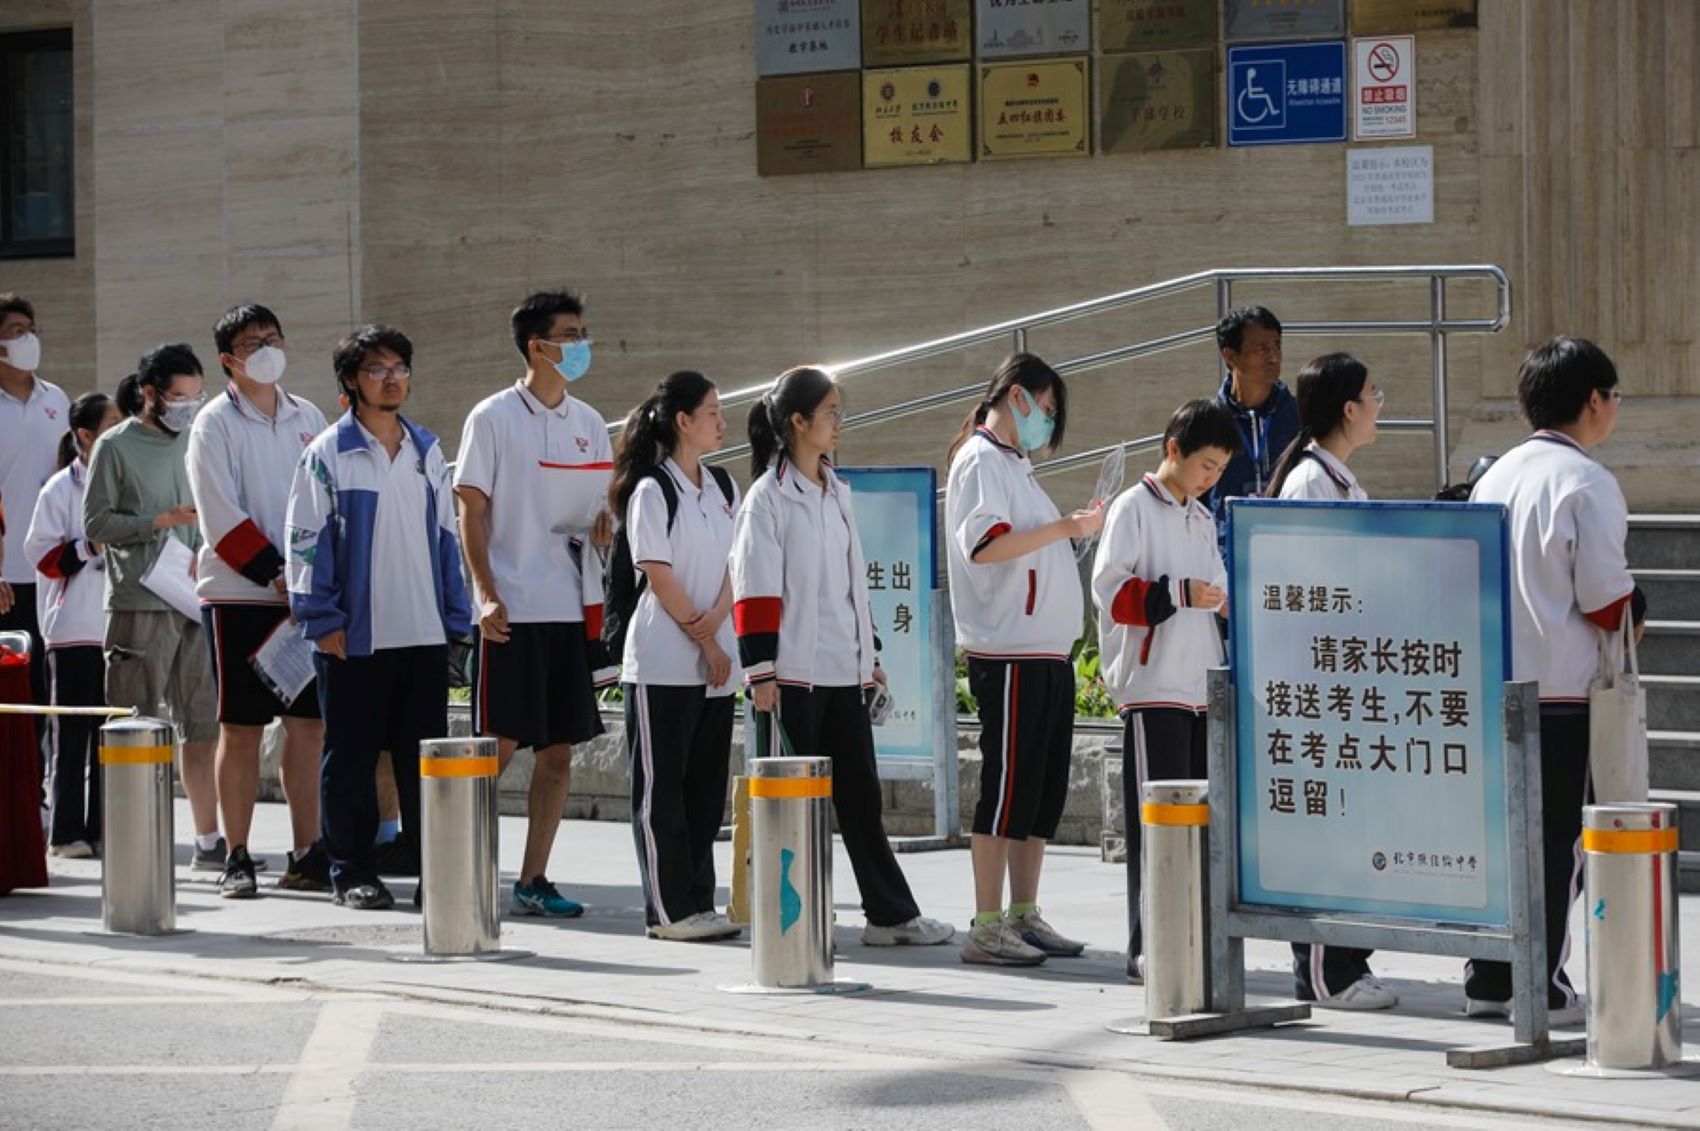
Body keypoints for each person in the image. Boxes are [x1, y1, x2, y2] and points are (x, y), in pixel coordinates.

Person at [731, 366, 954, 948]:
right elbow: (753, 591)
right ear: (797, 423)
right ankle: (791, 918)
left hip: (843, 675)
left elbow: (853, 585)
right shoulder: (767, 501)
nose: (839, 422)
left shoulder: (836, 491)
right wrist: (760, 673)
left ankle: (889, 916)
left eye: (839, 411)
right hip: (790, 679)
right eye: (829, 412)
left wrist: (870, 657)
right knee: (791, 805)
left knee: (860, 798)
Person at [1464, 337, 1644, 1023]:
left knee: (1503, 839)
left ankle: (1489, 975)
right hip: (1562, 690)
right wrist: (1637, 614)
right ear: (1593, 400)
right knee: (1558, 840)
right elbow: (1604, 600)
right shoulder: (1586, 481)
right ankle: (1539, 982)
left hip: (1491, 682)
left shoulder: (1495, 475)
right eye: (1615, 396)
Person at [286, 325, 471, 911]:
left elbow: (448, 537)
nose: (391, 378)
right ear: (350, 382)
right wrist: (321, 618)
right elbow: (304, 541)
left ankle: (433, 875)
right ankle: (350, 871)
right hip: (354, 637)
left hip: (421, 633)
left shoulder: (426, 450)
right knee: (351, 759)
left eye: (399, 368)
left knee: (423, 763)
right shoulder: (326, 455)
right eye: (376, 369)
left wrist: (454, 619)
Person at [455, 290, 617, 919]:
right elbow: (471, 509)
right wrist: (486, 594)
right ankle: (456, 865)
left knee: (558, 751)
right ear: (536, 346)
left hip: (568, 607)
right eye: (569, 335)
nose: (580, 345)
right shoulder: (492, 418)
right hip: (512, 608)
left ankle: (534, 878)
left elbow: (593, 510)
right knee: (495, 744)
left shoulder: (588, 423)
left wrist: (602, 526)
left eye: (584, 332)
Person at [944, 354, 1102, 966]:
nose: (1047, 421)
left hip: (1042, 654)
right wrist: (1065, 527)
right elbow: (987, 545)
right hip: (1008, 653)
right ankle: (986, 923)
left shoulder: (1014, 463)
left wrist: (1069, 528)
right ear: (1017, 398)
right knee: (1006, 789)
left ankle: (1023, 912)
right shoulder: (981, 459)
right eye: (1047, 408)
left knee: (1039, 793)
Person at [1265, 353, 1397, 1011]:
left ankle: (1347, 961)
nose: (1380, 403)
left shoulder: (1339, 482)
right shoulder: (1310, 484)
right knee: (1324, 830)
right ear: (1349, 408)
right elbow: (1309, 588)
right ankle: (1323, 971)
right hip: (1316, 689)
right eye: (1375, 394)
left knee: (1348, 829)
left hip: (1343, 686)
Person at [1092, 399, 1240, 984]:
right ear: (1172, 450)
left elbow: (1217, 585)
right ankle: (1147, 943)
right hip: (1154, 688)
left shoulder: (1200, 516)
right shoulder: (1133, 508)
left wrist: (1217, 597)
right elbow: (1111, 593)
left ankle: (1191, 936)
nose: (1211, 478)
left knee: (1198, 825)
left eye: (1220, 469)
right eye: (1206, 464)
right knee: (1156, 823)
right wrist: (1179, 592)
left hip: (1199, 685)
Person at [188, 304, 332, 898]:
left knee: (309, 727)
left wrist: (313, 578)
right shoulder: (212, 424)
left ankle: (307, 851)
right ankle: (239, 854)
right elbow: (219, 514)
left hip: (301, 599)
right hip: (239, 594)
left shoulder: (309, 415)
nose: (267, 349)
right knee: (242, 728)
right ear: (229, 360)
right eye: (253, 343)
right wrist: (277, 572)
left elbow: (324, 500)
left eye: (274, 338)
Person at [609, 372, 741, 941]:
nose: (721, 420)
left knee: (705, 791)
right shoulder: (651, 491)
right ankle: (667, 911)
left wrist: (720, 621)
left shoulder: (724, 486)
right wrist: (705, 635)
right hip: (665, 660)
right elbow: (657, 572)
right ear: (683, 421)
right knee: (662, 791)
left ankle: (699, 902)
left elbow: (739, 559)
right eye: (711, 411)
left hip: (716, 662)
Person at [83, 343, 224, 868]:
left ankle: (209, 840)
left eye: (196, 396)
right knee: (136, 725)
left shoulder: (199, 439)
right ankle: (134, 843)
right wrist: (157, 522)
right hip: (140, 600)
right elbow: (95, 526)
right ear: (149, 394)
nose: (188, 406)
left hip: (197, 598)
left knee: (203, 727)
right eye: (178, 396)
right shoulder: (115, 446)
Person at [23, 393, 121, 857]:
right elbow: (41, 557)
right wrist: (89, 548)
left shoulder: (125, 484)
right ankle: (65, 834)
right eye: (112, 423)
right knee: (72, 734)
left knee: (112, 734)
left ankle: (105, 827)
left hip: (119, 627)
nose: (122, 431)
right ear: (86, 434)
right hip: (72, 630)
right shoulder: (60, 489)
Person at [0, 294, 70, 730]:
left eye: (32, 329)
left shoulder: (57, 399)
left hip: (52, 571)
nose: (29, 339)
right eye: (15, 331)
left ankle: (41, 792)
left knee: (48, 690)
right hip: (6, 578)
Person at [1208, 306, 1299, 556]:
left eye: (1277, 346)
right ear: (1230, 356)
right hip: (1228, 560)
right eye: (1261, 349)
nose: (1274, 357)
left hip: (1289, 553)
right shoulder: (1208, 422)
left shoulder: (1299, 415)